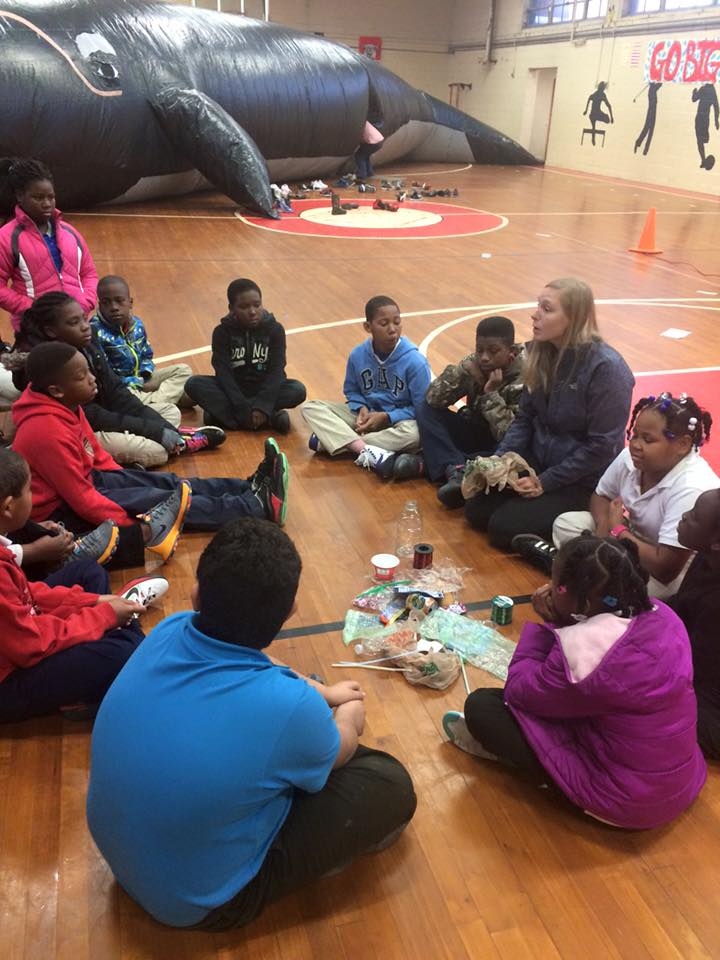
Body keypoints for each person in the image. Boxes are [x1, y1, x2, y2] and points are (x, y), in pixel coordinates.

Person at [87, 516, 417, 929]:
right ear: (290, 612)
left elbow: (263, 662)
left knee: (286, 734)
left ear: (195, 594)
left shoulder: (171, 627)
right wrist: (348, 712)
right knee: (389, 781)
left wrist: (323, 693)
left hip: (125, 856)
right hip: (197, 904)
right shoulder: (289, 707)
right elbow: (343, 744)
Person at [443, 534, 706, 830]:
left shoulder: (585, 653)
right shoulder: (664, 615)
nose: (549, 590)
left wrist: (551, 625)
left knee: (483, 707)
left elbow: (519, 691)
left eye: (556, 586)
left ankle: (550, 783)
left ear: (586, 600)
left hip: (627, 801)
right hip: (679, 780)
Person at [11, 342, 290, 569]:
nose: (93, 379)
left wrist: (129, 480)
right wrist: (134, 524)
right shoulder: (43, 431)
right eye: (82, 376)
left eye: (89, 371)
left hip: (90, 483)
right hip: (63, 511)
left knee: (165, 483)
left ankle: (247, 488)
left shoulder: (67, 405)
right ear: (56, 390)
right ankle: (257, 507)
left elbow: (95, 454)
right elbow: (81, 499)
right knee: (162, 501)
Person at [463, 277, 634, 549]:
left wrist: (545, 482)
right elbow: (525, 419)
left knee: (502, 528)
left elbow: (602, 447)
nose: (535, 314)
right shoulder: (539, 355)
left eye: (547, 308)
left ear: (574, 318)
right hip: (539, 462)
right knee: (475, 511)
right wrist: (500, 461)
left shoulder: (608, 370)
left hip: (582, 479)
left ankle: (573, 541)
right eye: (537, 305)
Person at [0, 447, 152, 723]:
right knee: (121, 650)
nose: (33, 496)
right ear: (9, 506)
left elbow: (27, 593)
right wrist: (101, 617)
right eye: (30, 490)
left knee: (87, 571)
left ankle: (123, 623)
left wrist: (92, 603)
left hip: (20, 637)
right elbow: (31, 644)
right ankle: (121, 636)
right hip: (9, 680)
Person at [516, 392, 719, 597]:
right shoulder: (631, 458)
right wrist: (604, 534)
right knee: (567, 523)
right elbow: (601, 496)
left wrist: (618, 531)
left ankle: (572, 567)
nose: (636, 445)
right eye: (634, 435)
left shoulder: (691, 488)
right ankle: (589, 573)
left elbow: (664, 568)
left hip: (666, 568)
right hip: (630, 539)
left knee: (648, 591)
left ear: (682, 445)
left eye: (648, 439)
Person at [11, 292, 224, 468]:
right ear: (51, 331)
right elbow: (92, 416)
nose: (86, 326)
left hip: (107, 414)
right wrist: (154, 431)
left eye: (85, 318)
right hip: (83, 432)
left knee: (170, 413)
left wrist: (160, 426)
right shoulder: (47, 365)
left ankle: (177, 439)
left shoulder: (87, 339)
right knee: (157, 451)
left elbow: (116, 391)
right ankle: (172, 445)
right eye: (74, 323)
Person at [302, 295, 432, 476]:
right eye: (384, 323)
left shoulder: (415, 362)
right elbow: (351, 389)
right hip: (364, 418)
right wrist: (361, 406)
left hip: (397, 422)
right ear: (368, 327)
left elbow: (422, 409)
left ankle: (335, 441)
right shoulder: (357, 355)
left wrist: (387, 416)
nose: (393, 329)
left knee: (416, 434)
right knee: (311, 408)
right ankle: (365, 450)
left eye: (397, 322)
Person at [391, 315, 525, 490]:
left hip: (499, 445)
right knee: (424, 408)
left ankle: (431, 463)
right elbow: (433, 399)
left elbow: (510, 435)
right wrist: (461, 372)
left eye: (493, 351)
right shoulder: (475, 364)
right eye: (479, 350)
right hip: (473, 431)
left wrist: (491, 394)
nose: (484, 357)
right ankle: (457, 468)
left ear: (511, 352)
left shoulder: (525, 377)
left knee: (509, 456)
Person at [184, 278, 306, 436]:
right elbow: (223, 374)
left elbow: (277, 371)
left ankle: (223, 418)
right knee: (193, 384)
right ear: (231, 308)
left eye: (257, 305)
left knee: (297, 390)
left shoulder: (275, 330)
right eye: (244, 307)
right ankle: (270, 417)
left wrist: (262, 405)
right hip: (233, 390)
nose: (253, 311)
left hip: (264, 387)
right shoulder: (221, 332)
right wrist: (242, 407)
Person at [0, 158, 98, 331]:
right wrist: (31, 309)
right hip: (36, 329)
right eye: (38, 197)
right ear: (20, 196)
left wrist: (84, 303)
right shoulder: (7, 238)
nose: (47, 204)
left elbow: (89, 273)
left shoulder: (71, 233)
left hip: (77, 327)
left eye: (50, 197)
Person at [91, 275, 194, 417]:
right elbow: (106, 376)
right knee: (181, 403)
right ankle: (159, 405)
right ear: (100, 305)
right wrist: (134, 383)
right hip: (123, 389)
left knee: (183, 370)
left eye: (119, 301)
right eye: (106, 302)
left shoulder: (137, 325)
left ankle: (152, 405)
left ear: (130, 302)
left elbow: (146, 353)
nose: (114, 307)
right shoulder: (94, 332)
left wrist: (145, 373)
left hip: (142, 380)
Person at [669, 489, 720, 760]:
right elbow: (681, 605)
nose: (684, 516)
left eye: (695, 517)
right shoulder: (706, 557)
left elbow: (693, 668)